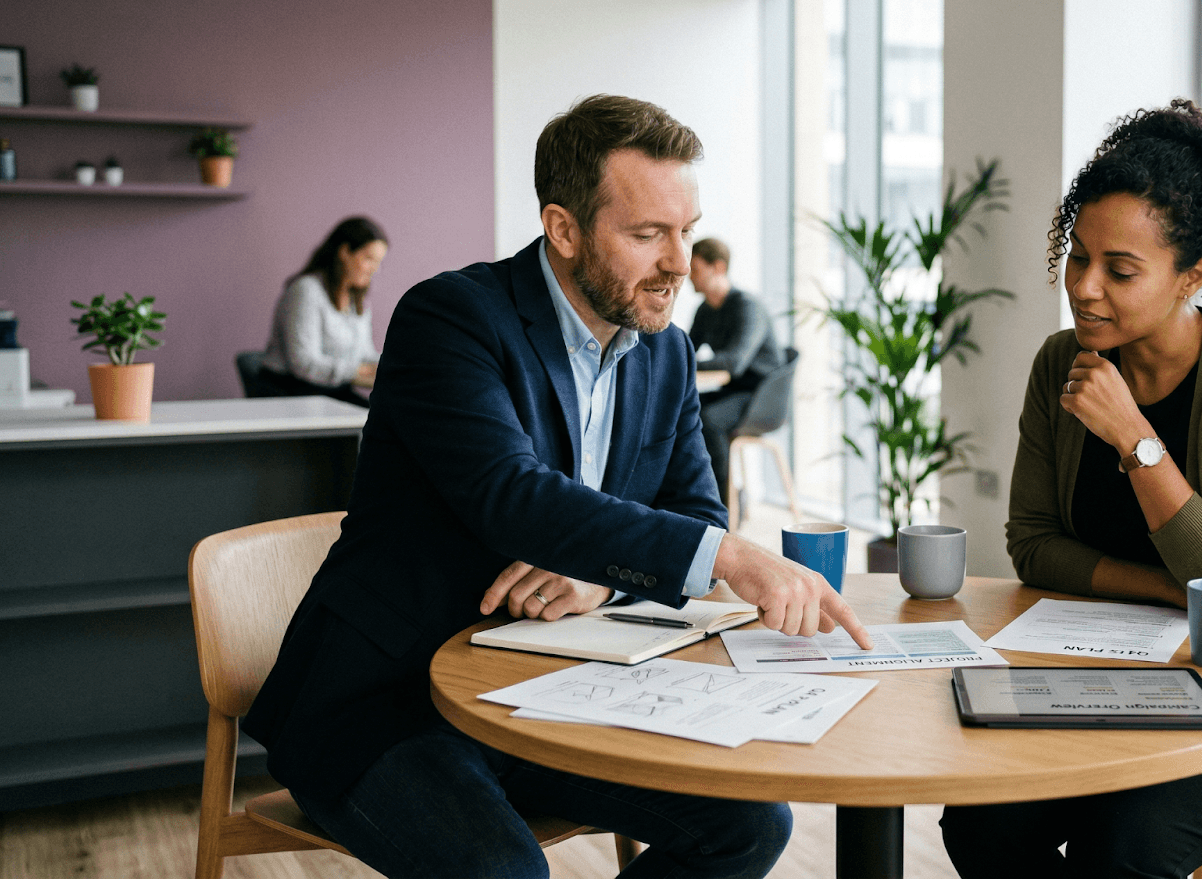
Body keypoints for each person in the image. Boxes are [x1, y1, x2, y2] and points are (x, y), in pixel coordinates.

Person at [244, 95, 873, 879]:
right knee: (503, 871)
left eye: (686, 229)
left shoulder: (666, 351)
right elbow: (509, 493)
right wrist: (734, 558)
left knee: (750, 825)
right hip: (388, 701)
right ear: (564, 229)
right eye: (648, 235)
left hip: (549, 690)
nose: (679, 260)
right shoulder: (452, 318)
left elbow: (690, 510)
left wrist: (599, 582)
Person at [938, 99, 1202, 878]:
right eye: (1077, 256)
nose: (1085, 287)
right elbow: (1033, 546)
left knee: (1129, 842)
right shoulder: (1057, 363)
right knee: (982, 820)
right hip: (1115, 681)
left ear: (1193, 276)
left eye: (1121, 270)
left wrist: (1134, 437)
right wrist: (1171, 594)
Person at [686, 237, 785, 498]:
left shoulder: (747, 307)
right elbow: (685, 352)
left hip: (761, 397)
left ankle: (722, 505)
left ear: (717, 267)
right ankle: (696, 494)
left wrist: (690, 364)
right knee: (684, 407)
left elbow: (734, 362)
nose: (688, 276)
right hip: (734, 390)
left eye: (694, 269)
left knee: (709, 419)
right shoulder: (705, 311)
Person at [258, 216, 388, 407]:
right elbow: (304, 364)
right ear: (344, 252)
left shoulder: (357, 300)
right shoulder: (306, 290)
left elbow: (365, 354)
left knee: (389, 420)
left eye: (378, 262)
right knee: (377, 426)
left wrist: (394, 366)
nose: (374, 270)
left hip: (333, 391)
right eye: (368, 259)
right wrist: (357, 371)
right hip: (294, 394)